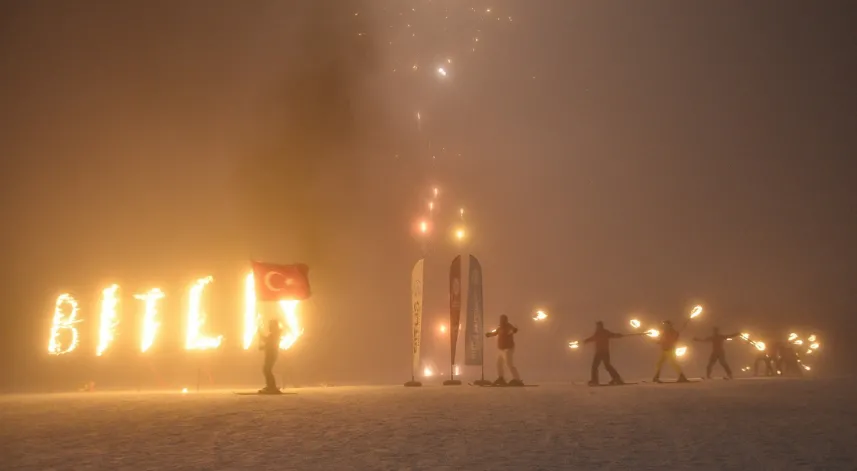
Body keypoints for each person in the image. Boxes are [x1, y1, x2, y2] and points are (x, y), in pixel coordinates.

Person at [485, 315, 523, 386]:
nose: (501, 321)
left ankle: (517, 379)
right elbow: (495, 333)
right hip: (501, 349)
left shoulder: (508, 326)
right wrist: (489, 334)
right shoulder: (500, 328)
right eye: (501, 319)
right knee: (499, 363)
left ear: (505, 320)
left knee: (509, 363)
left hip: (508, 348)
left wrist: (514, 330)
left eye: (503, 319)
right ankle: (501, 378)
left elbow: (512, 330)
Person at [584, 321, 625, 385]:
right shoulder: (598, 333)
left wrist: (618, 335)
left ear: (600, 326)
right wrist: (586, 340)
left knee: (600, 366)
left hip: (603, 352)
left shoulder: (604, 332)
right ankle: (616, 378)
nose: (597, 327)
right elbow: (593, 338)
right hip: (601, 352)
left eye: (598, 326)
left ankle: (615, 379)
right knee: (603, 366)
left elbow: (613, 335)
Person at [258, 319, 283, 394]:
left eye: (270, 325)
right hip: (270, 354)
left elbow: (270, 343)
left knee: (267, 370)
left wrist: (260, 334)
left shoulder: (274, 334)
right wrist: (263, 347)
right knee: (266, 370)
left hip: (271, 355)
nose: (269, 327)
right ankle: (270, 386)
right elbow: (268, 343)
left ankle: (272, 387)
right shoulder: (273, 334)